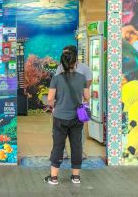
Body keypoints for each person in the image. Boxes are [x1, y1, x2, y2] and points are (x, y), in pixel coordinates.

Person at [44, 46, 90, 185]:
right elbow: (86, 97)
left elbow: (50, 100)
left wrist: (54, 106)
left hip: (60, 117)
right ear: (75, 62)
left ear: (62, 62)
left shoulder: (56, 79)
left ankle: (53, 178)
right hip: (77, 117)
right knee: (76, 145)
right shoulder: (81, 78)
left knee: (58, 145)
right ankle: (76, 177)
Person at [55, 45, 93, 160]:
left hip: (81, 104)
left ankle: (79, 152)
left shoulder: (84, 68)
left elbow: (89, 82)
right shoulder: (60, 67)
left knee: (79, 131)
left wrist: (81, 95)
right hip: (64, 105)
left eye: (66, 53)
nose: (64, 56)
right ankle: (63, 152)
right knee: (62, 131)